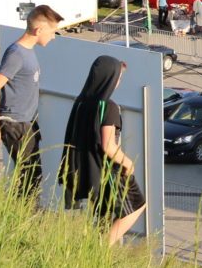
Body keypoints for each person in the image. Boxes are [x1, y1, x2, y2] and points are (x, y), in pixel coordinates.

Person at [58, 55, 147, 245]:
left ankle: (97, 248)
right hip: (108, 171)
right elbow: (108, 145)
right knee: (136, 206)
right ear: (109, 78)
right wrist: (128, 163)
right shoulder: (108, 106)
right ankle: (103, 247)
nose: (118, 82)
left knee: (103, 215)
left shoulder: (81, 103)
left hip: (88, 171)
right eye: (118, 78)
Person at [0, 4, 63, 197]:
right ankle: (20, 210)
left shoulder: (28, 51)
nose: (53, 37)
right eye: (52, 32)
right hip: (15, 122)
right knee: (30, 175)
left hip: (26, 122)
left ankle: (21, 208)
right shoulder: (17, 54)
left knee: (31, 174)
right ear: (39, 30)